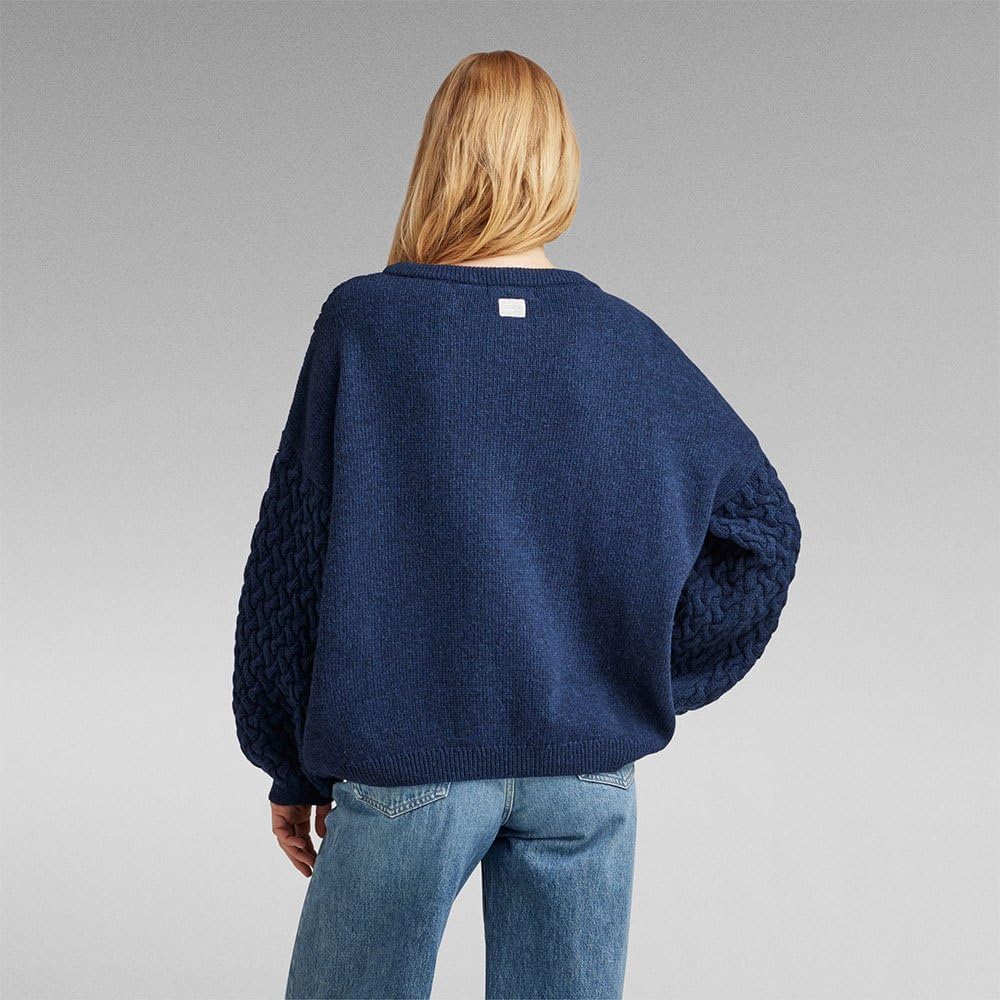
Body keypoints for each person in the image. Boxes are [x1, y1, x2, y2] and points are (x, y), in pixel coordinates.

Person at [232, 49, 801, 1000]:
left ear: (440, 156)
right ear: (559, 161)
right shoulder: (624, 340)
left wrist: (286, 763)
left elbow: (294, 561)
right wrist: (626, 671)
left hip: (407, 761)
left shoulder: (366, 324)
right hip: (584, 772)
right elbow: (764, 534)